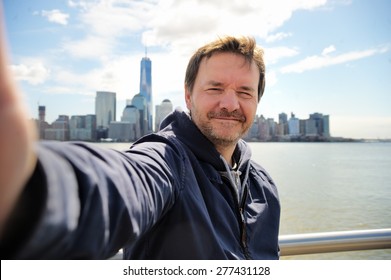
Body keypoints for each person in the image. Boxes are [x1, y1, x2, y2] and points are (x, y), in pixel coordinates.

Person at [0, 10, 280, 259]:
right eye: (215, 88)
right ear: (188, 95)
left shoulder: (263, 186)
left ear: (257, 100)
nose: (230, 104)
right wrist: (29, 189)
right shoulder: (169, 162)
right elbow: (122, 184)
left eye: (244, 92)